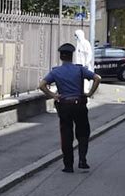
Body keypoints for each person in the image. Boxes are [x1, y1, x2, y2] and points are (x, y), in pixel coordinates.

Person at [39, 43, 101, 173]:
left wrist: (54, 96)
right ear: (71, 56)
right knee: (83, 132)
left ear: (61, 57)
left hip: (64, 106)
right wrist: (89, 94)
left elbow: (42, 85)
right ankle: (83, 160)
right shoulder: (79, 70)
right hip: (80, 105)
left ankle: (68, 165)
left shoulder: (56, 72)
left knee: (66, 135)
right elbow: (97, 78)